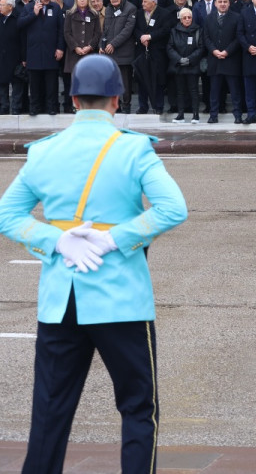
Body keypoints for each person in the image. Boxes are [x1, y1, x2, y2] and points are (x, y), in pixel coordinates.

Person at [0, 54, 187, 474]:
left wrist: (58, 239)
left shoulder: (44, 152)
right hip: (121, 296)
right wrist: (113, 239)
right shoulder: (133, 148)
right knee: (139, 409)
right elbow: (173, 209)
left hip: (60, 299)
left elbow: (6, 215)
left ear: (73, 100)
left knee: (49, 414)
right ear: (117, 100)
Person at [167, 7, 203, 123]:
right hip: (179, 66)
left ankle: (195, 115)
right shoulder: (174, 31)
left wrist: (189, 59)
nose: (187, 19)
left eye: (189, 17)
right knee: (180, 91)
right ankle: (180, 115)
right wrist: (179, 59)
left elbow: (201, 48)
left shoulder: (198, 30)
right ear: (180, 19)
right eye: (185, 18)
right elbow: (170, 47)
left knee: (193, 91)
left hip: (192, 66)